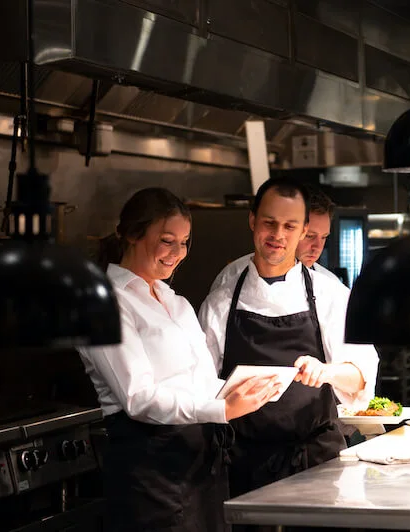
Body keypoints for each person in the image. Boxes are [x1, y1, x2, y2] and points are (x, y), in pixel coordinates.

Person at [77, 187, 281, 532]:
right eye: (167, 240)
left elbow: (199, 383)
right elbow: (137, 398)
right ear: (128, 234)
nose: (177, 253)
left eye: (184, 242)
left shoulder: (177, 303)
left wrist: (246, 387)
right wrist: (222, 409)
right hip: (150, 470)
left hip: (201, 464)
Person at [197, 177, 378, 516]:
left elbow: (362, 376)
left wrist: (327, 372)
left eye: (289, 226)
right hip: (241, 462)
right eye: (269, 223)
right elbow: (201, 384)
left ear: (302, 230)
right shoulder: (222, 300)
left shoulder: (328, 294)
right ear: (252, 221)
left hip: (315, 460)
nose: (278, 235)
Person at [209, 185, 340, 291]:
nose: (317, 247)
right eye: (310, 236)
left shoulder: (332, 287)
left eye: (323, 238)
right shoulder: (231, 276)